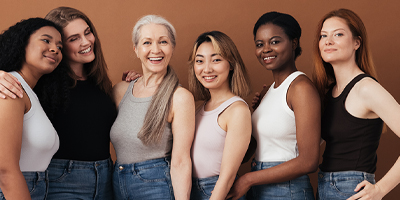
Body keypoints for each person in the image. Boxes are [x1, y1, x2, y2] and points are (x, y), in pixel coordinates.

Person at [0, 6, 130, 199]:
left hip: (105, 177)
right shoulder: (39, 82)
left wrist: (138, 84)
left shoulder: (101, 84)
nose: (86, 41)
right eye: (74, 38)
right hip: (61, 179)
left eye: (87, 32)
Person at [228, 11, 321, 200]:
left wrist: (248, 180)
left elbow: (309, 161)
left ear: (294, 43)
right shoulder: (269, 91)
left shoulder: (301, 88)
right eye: (259, 44)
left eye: (275, 41)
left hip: (287, 190)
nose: (266, 49)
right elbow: (258, 145)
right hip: (261, 187)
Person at [313, 8, 400, 200]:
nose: (328, 41)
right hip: (324, 186)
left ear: (356, 42)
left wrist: (381, 189)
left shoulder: (366, 89)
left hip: (351, 188)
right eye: (323, 35)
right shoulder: (330, 92)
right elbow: (310, 142)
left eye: (338, 34)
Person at [110, 15, 195, 200]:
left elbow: (181, 162)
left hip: (156, 186)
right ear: (136, 49)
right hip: (117, 184)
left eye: (163, 42)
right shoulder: (120, 90)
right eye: (147, 42)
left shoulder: (180, 97)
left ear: (172, 47)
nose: (155, 50)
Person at [0, 18, 62, 200]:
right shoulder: (10, 86)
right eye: (46, 40)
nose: (55, 49)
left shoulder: (30, 92)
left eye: (60, 46)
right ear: (22, 43)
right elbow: (5, 169)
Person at [188, 31, 251, 200]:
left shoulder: (237, 110)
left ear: (231, 64)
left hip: (216, 191)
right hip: (189, 189)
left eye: (216, 60)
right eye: (200, 61)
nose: (207, 69)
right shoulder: (196, 107)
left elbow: (227, 177)